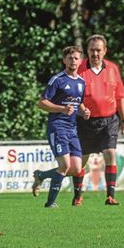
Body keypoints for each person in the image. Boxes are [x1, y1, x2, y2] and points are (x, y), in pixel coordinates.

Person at [73, 34, 124, 206]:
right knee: (81, 160)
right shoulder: (79, 69)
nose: (95, 53)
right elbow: (72, 96)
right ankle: (77, 196)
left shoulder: (113, 69)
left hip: (109, 120)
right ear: (87, 51)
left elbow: (120, 96)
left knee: (110, 154)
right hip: (85, 122)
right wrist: (81, 109)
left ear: (105, 51)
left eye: (98, 50)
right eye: (92, 50)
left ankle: (110, 196)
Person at [32, 46, 90, 208]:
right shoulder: (57, 79)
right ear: (64, 60)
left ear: (80, 61)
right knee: (64, 166)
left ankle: (41, 175)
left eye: (76, 58)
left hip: (72, 129)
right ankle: (50, 203)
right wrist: (61, 109)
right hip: (57, 127)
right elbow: (42, 103)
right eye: (70, 58)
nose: (73, 61)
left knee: (77, 168)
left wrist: (84, 111)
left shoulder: (81, 82)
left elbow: (79, 104)